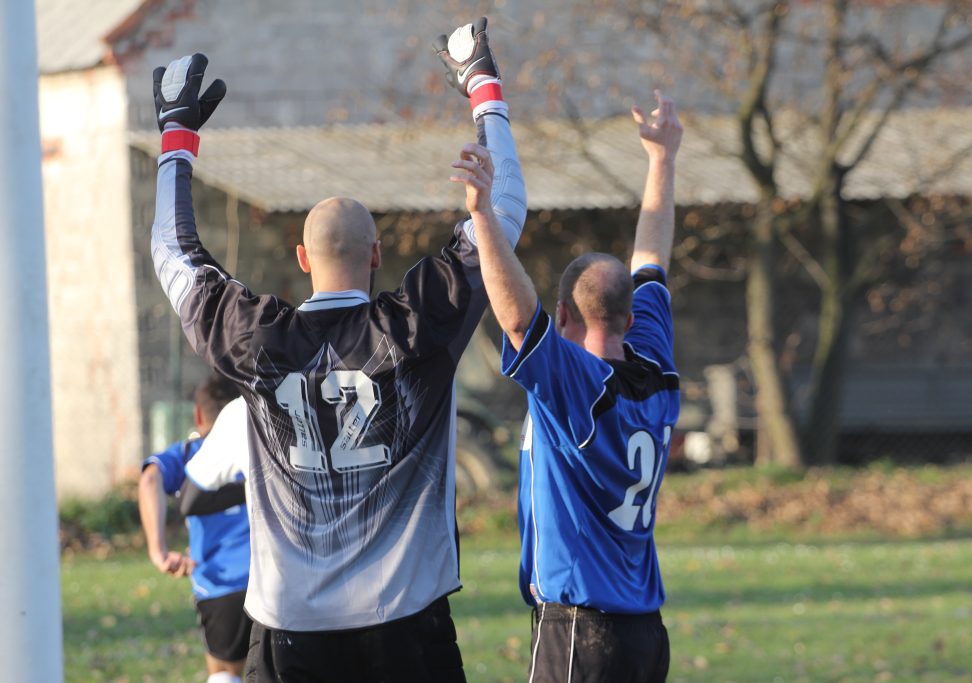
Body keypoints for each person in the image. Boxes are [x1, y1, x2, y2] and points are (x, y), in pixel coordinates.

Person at [147, 17, 525, 682]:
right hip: (405, 622)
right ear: (376, 255)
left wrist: (177, 135)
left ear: (301, 258)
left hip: (292, 630)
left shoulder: (259, 339)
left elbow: (174, 255)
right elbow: (507, 216)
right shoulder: (416, 326)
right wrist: (481, 84)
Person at [458, 90, 682, 682]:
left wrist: (483, 217)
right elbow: (652, 258)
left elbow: (516, 319)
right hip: (646, 634)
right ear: (632, 317)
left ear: (561, 317)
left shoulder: (576, 385)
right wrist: (662, 160)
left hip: (582, 631)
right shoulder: (657, 366)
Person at [138, 374, 252, 683]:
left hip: (220, 584)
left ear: (199, 415)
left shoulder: (190, 454)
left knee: (225, 673)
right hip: (272, 581)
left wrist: (159, 551)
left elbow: (149, 479)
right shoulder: (260, 445)